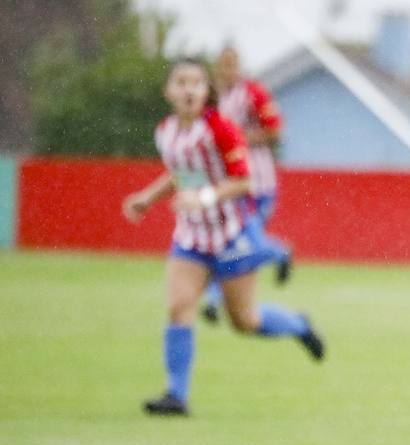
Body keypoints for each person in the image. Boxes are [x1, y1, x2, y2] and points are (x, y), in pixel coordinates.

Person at [122, 58, 323, 417]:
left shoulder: (221, 129)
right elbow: (179, 174)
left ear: (205, 91)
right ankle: (176, 396)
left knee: (245, 321)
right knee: (178, 307)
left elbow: (244, 181)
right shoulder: (165, 131)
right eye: (180, 83)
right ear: (168, 91)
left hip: (231, 235)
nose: (188, 90)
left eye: (195, 84)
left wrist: (204, 198)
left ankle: (299, 325)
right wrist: (147, 198)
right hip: (191, 237)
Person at [202, 45, 293, 324]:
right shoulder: (213, 97)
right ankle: (275, 253)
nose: (228, 71)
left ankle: (277, 252)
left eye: (233, 65)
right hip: (227, 183)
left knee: (234, 242)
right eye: (223, 65)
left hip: (256, 184)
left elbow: (276, 131)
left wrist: (239, 137)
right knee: (229, 243)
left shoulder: (253, 93)